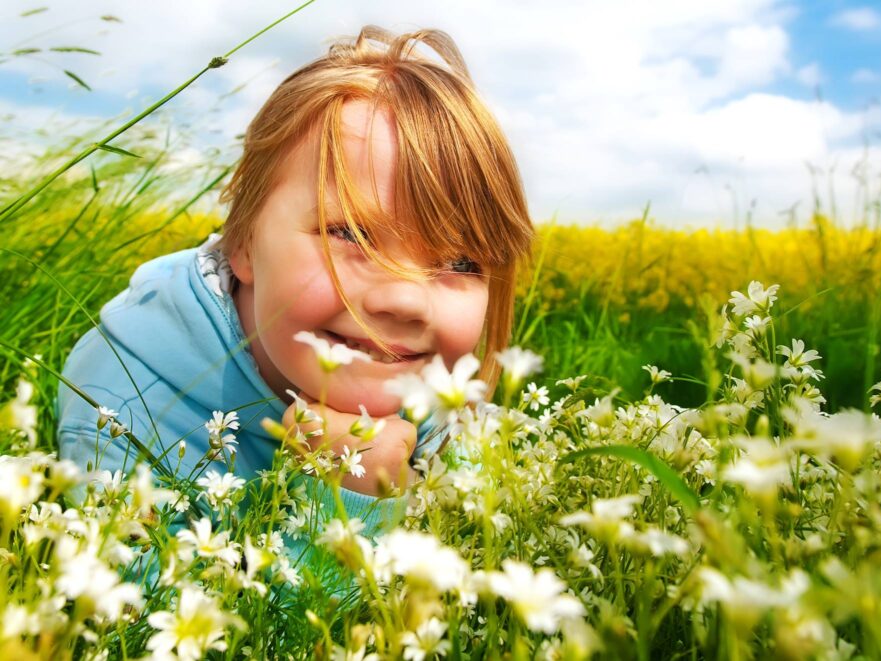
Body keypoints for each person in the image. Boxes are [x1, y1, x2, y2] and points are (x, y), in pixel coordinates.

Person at [55, 26, 534, 541]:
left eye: (462, 262)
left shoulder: (434, 387)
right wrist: (352, 504)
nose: (406, 299)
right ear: (243, 241)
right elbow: (137, 615)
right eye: (350, 233)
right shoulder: (124, 408)